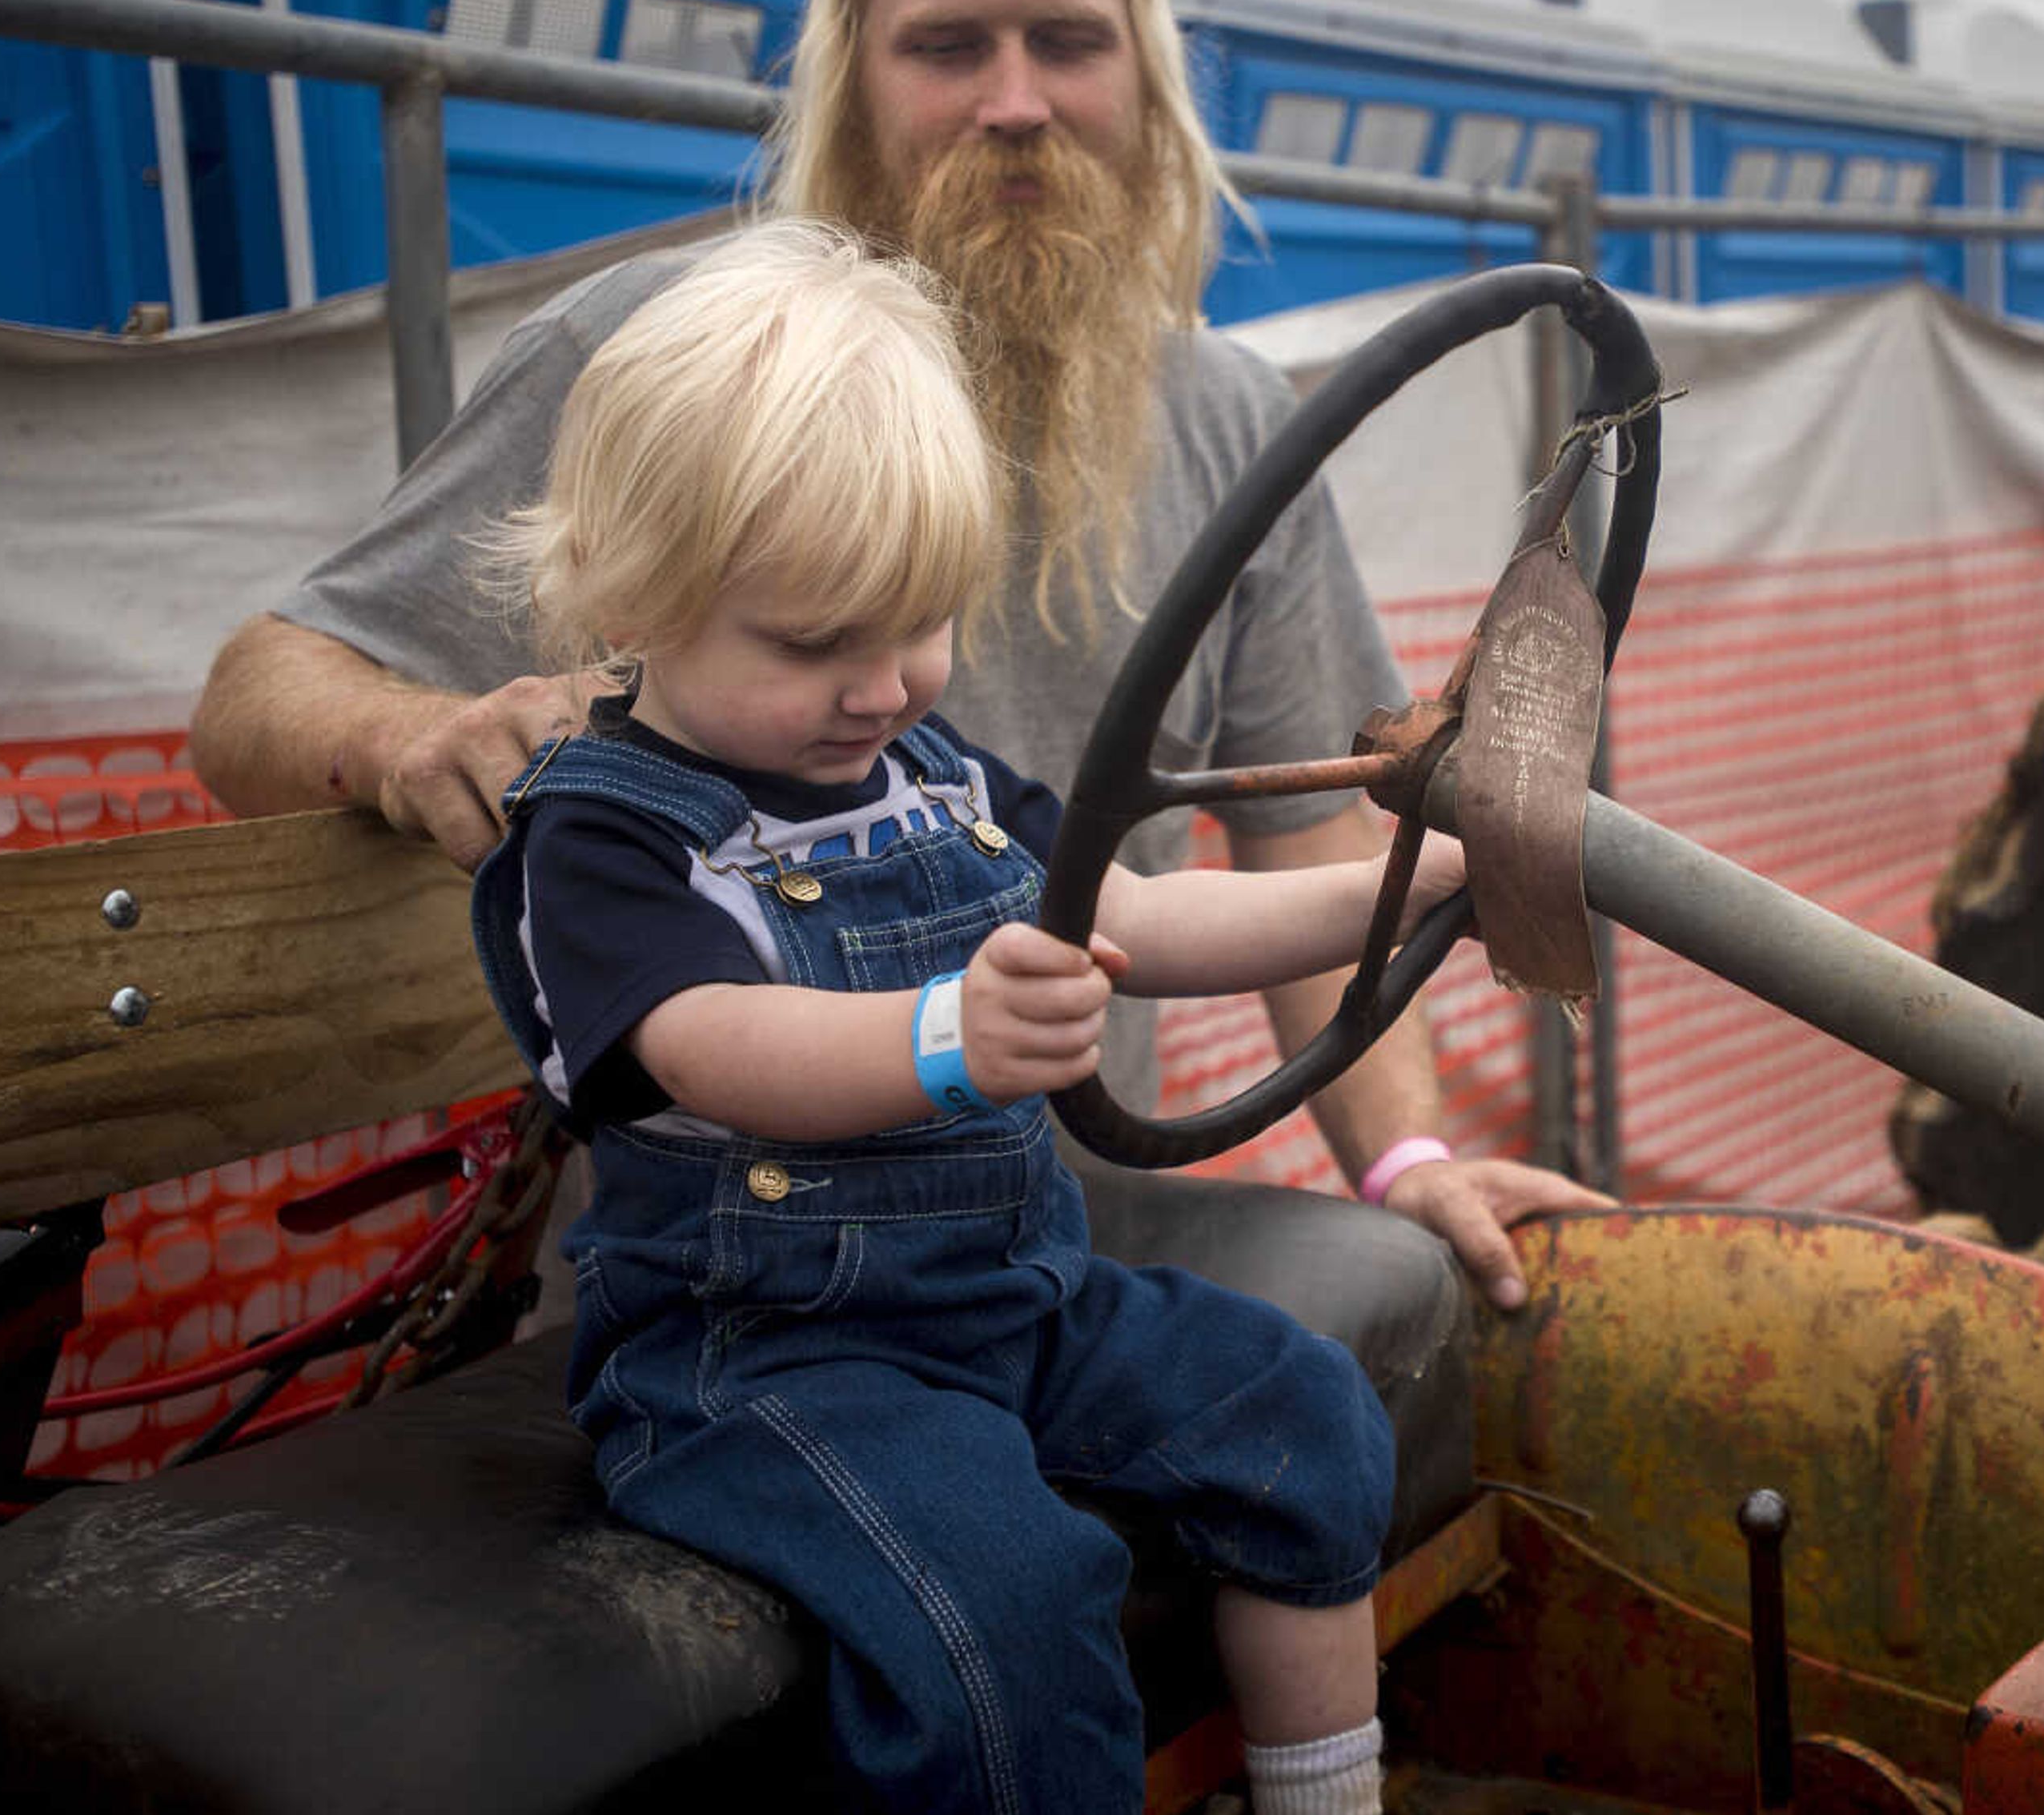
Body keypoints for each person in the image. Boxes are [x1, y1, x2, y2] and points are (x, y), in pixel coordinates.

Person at [187, 0, 1606, 1305]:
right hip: (741, 1282)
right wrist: (411, 738)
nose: (1016, 101)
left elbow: (1307, 843)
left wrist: (1405, 1165)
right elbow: (254, 700)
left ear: (1150, 74)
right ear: (849, 76)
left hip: (1064, 1247)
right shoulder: (664, 364)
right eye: (947, 45)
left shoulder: (1232, 418)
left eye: (1067, 40)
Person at [472, 220, 1438, 1813]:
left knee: (1301, 1413)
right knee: (1004, 1603)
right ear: (630, 595)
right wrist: (946, 1038)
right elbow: (712, 1043)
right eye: (816, 642)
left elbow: (1128, 918)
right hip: (764, 1360)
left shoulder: (930, 774)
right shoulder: (607, 836)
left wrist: (1406, 882)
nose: (888, 686)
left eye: (921, 623)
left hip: (1010, 1300)